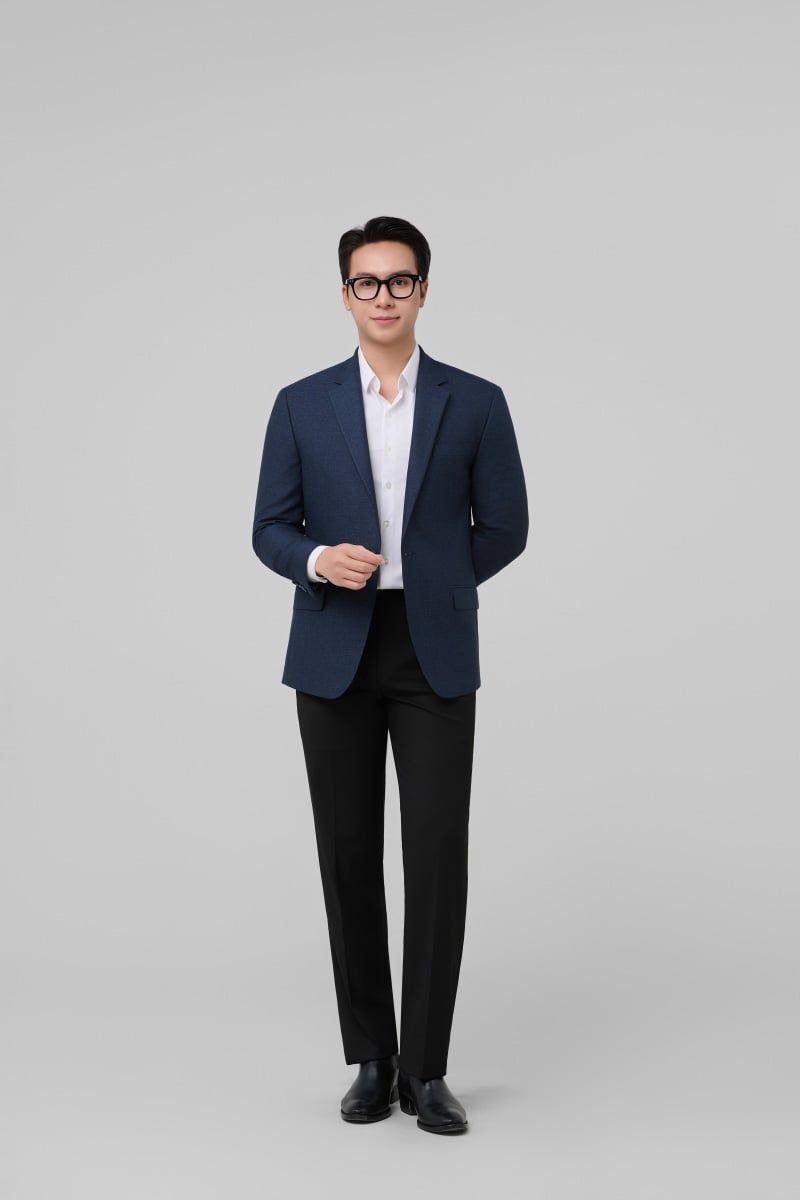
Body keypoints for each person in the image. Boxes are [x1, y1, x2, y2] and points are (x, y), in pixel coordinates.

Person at [251, 215, 529, 1135]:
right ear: (345, 295)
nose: (383, 296)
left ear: (423, 291)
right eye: (366, 282)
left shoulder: (475, 401)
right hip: (334, 643)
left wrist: (438, 582)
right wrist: (316, 559)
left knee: (437, 855)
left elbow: (507, 526)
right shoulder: (301, 403)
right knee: (347, 854)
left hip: (431, 647)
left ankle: (428, 1067)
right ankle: (372, 1058)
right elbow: (269, 527)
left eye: (400, 281)